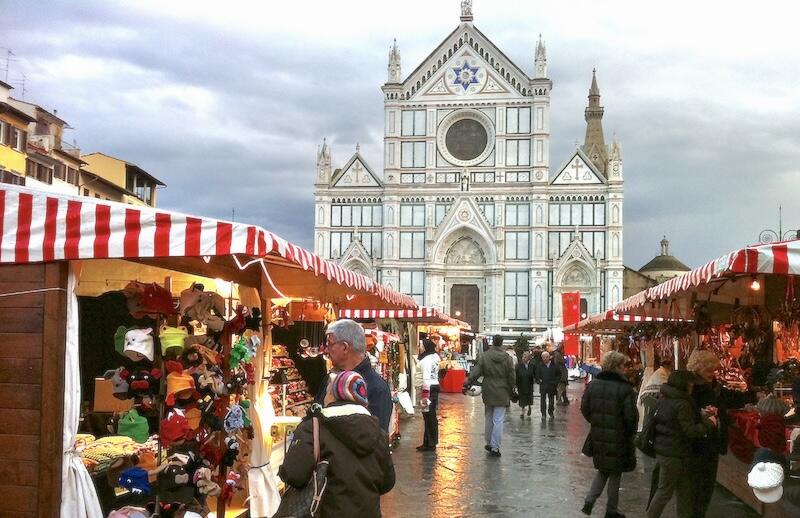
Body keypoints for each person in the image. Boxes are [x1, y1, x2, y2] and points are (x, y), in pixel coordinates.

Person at [279, 371, 395, 517]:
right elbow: (387, 483)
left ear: (334, 395)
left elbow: (294, 475)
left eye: (328, 391)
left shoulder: (313, 428)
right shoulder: (379, 434)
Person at [647, 370, 717, 518]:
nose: (692, 387)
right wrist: (709, 423)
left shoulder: (666, 398)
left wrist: (700, 415)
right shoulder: (682, 403)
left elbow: (676, 421)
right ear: (684, 384)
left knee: (684, 491)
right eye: (690, 384)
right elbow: (690, 431)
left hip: (669, 450)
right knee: (666, 491)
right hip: (674, 452)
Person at [580, 351, 638, 518]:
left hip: (599, 434)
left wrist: (596, 421)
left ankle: (589, 501)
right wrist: (630, 432)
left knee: (604, 469)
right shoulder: (624, 388)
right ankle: (611, 510)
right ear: (617, 367)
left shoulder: (594, 384)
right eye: (623, 366)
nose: (626, 369)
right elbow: (630, 417)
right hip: (619, 436)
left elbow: (585, 408)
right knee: (615, 472)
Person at [316, 319, 392, 431]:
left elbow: (376, 441)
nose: (326, 350)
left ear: (345, 347)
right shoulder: (331, 378)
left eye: (330, 344)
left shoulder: (377, 388)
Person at [463, 334, 515, 457]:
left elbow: (476, 371)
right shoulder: (508, 358)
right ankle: (495, 446)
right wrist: (512, 389)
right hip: (502, 390)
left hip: (488, 389)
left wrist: (467, 382)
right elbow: (512, 376)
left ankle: (489, 442)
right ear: (501, 343)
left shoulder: (484, 356)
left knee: (488, 417)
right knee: (498, 419)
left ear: (493, 343)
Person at [686, 350, 723, 516]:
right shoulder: (701, 390)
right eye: (709, 370)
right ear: (700, 369)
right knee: (702, 488)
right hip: (704, 444)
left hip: (695, 444)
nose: (712, 374)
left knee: (695, 489)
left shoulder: (690, 387)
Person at [417, 339, 441, 451]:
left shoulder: (426, 360)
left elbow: (426, 378)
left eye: (421, 345)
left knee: (428, 416)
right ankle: (429, 441)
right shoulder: (434, 358)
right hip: (433, 387)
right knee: (430, 416)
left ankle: (430, 443)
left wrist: (425, 396)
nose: (420, 347)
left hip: (428, 389)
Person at [536, 351, 560, 418]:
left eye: (546, 357)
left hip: (552, 385)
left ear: (549, 357)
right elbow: (537, 374)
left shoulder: (554, 365)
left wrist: (556, 382)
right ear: (542, 358)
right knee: (543, 400)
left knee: (551, 401)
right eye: (543, 357)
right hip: (543, 385)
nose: (545, 359)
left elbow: (559, 374)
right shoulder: (540, 365)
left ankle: (551, 412)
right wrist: (538, 381)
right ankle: (543, 413)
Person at [516, 351, 536, 418]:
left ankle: (529, 407)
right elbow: (516, 375)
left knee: (529, 397)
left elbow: (534, 374)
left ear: (528, 358)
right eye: (523, 357)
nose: (524, 358)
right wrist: (515, 384)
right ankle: (522, 411)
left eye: (526, 357)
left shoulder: (532, 365)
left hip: (529, 384)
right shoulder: (518, 366)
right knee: (522, 399)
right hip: (521, 384)